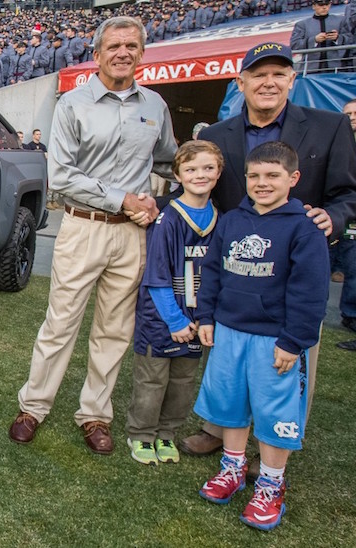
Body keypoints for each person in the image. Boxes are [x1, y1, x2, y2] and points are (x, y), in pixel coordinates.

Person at [8, 16, 178, 455]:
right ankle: (33, 407)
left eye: (131, 46)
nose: (123, 53)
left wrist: (163, 197)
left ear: (142, 52)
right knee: (60, 323)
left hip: (132, 236)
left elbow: (166, 163)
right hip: (83, 227)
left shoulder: (155, 106)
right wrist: (123, 199)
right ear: (97, 53)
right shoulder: (73, 104)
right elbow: (61, 176)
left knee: (114, 330)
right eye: (114, 46)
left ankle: (95, 415)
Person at [182, 42, 356, 456]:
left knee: (289, 359)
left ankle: (275, 439)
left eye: (279, 73)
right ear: (240, 82)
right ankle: (219, 429)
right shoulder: (215, 135)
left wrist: (334, 217)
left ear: (293, 80)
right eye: (259, 75)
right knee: (229, 354)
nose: (269, 82)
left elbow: (348, 192)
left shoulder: (329, 126)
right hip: (237, 272)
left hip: (296, 272)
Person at [194, 141, 329, 531]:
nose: (262, 183)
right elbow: (213, 272)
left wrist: (293, 340)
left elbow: (310, 290)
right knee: (231, 405)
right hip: (230, 333)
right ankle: (232, 469)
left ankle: (271, 484)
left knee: (273, 413)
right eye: (254, 176)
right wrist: (207, 316)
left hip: (274, 341)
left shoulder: (304, 228)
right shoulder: (233, 221)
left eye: (272, 176)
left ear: (293, 178)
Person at [126, 140, 222, 466]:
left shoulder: (219, 219)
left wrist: (203, 318)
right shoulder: (168, 218)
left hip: (197, 320)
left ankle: (167, 433)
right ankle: (141, 434)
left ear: (219, 172)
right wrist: (175, 320)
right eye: (192, 169)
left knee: (182, 382)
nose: (200, 175)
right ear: (178, 172)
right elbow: (156, 276)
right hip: (162, 318)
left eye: (208, 168)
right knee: (152, 380)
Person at [336, 98, 356, 351]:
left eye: (355, 113)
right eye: (347, 113)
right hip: (345, 218)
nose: (351, 117)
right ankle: (349, 314)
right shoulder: (341, 142)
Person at [290, 0, 348, 74]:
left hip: (336, 68)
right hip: (311, 70)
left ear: (330, 5)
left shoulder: (341, 20)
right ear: (314, 6)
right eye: (321, 5)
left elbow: (350, 39)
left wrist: (337, 38)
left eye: (327, 4)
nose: (324, 7)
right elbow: (294, 44)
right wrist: (314, 40)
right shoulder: (302, 25)